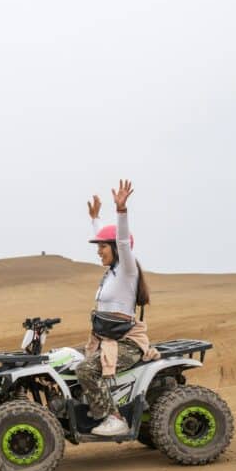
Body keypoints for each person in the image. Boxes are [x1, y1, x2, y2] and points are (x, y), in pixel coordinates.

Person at [75, 179, 160, 436]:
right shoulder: (112, 272)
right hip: (105, 339)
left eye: (102, 247)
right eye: (98, 247)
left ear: (115, 249)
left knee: (85, 370)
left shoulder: (126, 270)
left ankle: (113, 418)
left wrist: (121, 211)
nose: (99, 251)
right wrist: (95, 219)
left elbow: (121, 240)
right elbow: (109, 238)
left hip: (126, 344)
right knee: (67, 359)